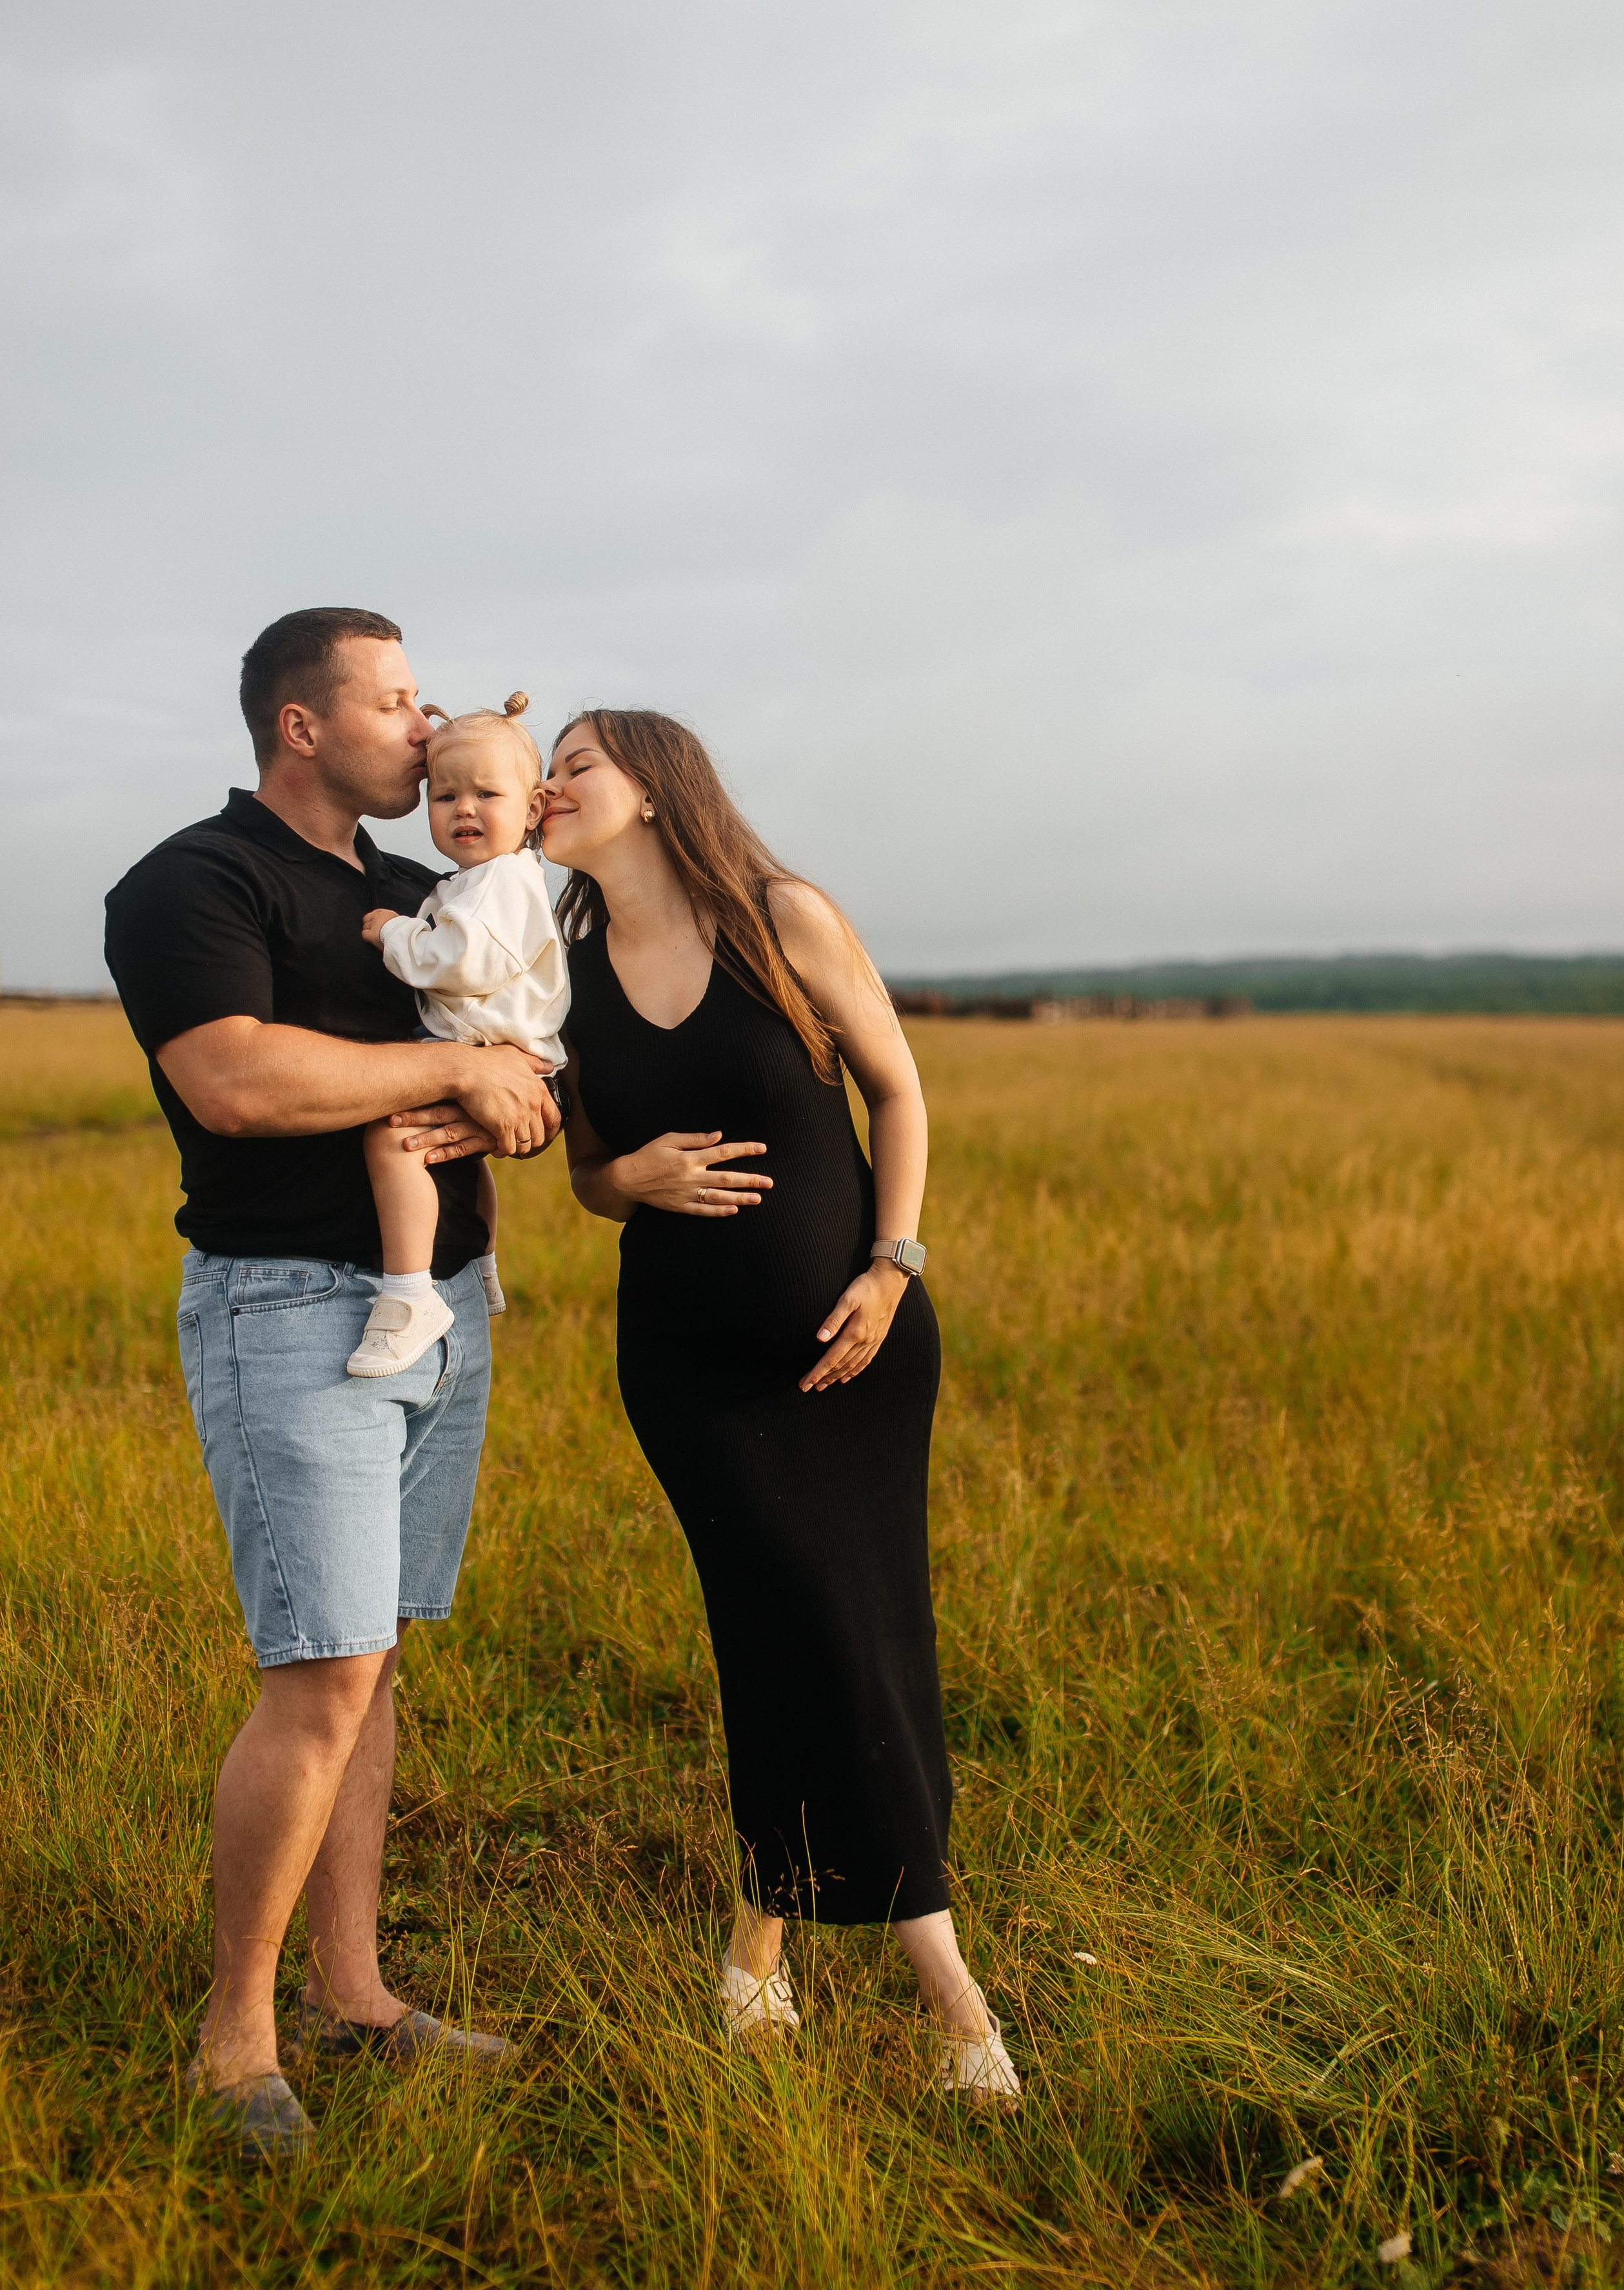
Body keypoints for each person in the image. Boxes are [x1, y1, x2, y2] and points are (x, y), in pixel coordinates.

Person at [471, 707, 1017, 2095]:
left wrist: (892, 1271)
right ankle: (950, 2001)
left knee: (843, 1630)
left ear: (653, 788)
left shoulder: (783, 919)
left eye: (574, 766)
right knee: (786, 1621)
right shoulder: (566, 966)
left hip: (855, 1350)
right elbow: (589, 1171)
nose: (549, 789)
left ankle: (759, 1960)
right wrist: (627, 1182)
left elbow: (897, 1095)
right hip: (687, 1369)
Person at [103, 607, 559, 2162]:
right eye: (393, 699)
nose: (423, 728)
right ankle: (235, 2044)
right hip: (292, 1311)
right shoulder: (194, 880)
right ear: (304, 725)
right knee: (315, 1674)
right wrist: (447, 1075)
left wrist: (521, 1097)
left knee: (371, 1665)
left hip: (445, 1310)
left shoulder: (424, 887)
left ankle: (354, 1992)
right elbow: (233, 1079)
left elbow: (517, 1044)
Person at [352, 692, 569, 1379]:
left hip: (488, 1048)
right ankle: (478, 1264)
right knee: (458, 1157)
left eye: (486, 793)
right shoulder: (486, 880)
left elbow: (459, 962)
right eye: (444, 796)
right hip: (500, 1047)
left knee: (396, 1139)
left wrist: (394, 932)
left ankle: (410, 1293)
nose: (463, 809)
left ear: (533, 808)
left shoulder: (500, 883)